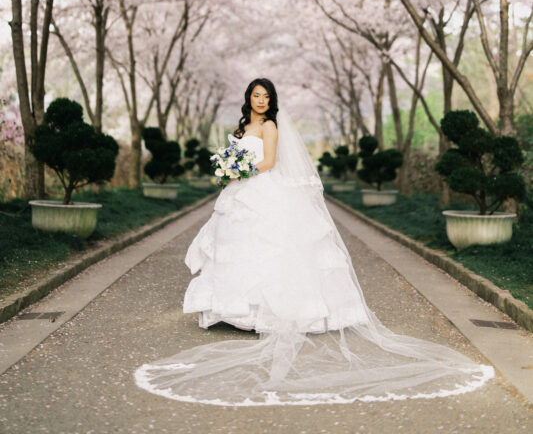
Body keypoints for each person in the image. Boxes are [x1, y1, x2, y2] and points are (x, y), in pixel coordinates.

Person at [135, 78, 494, 406]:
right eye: (255, 95)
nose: (260, 100)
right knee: (237, 246)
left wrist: (236, 171)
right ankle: (235, 312)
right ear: (248, 99)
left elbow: (270, 162)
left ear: (271, 101)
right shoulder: (244, 126)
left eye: (266, 96)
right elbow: (242, 152)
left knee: (269, 249)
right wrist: (228, 171)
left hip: (260, 189)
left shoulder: (272, 125)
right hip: (238, 192)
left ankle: (269, 313)